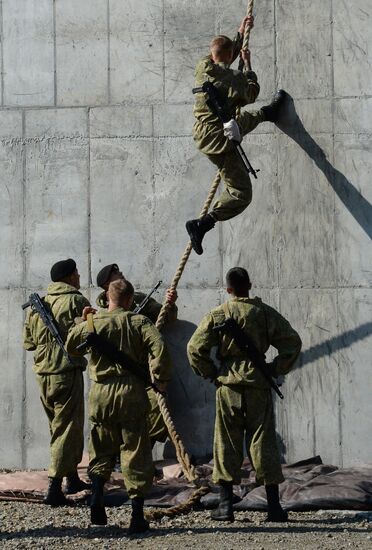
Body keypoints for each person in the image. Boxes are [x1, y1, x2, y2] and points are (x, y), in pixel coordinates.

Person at [187, 267, 302, 522]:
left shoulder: (219, 314)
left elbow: (195, 348)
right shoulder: (263, 313)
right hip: (258, 383)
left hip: (228, 384)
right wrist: (274, 368)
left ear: (228, 289)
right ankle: (273, 506)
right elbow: (292, 342)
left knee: (226, 442)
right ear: (250, 284)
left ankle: (226, 505)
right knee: (263, 441)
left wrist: (211, 373)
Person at [66, 279, 173, 533]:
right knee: (134, 449)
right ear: (129, 300)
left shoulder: (93, 323)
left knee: (101, 448)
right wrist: (160, 378)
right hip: (131, 392)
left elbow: (71, 346)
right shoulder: (139, 322)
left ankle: (96, 498)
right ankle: (137, 514)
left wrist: (83, 321)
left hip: (101, 393)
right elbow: (160, 349)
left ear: (107, 297)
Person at [186, 15, 286, 255]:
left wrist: (240, 34)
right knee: (241, 193)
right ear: (231, 56)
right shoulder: (235, 80)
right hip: (219, 140)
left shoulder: (202, 66)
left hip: (202, 133)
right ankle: (204, 223)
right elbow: (251, 93)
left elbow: (223, 58)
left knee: (242, 121)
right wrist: (248, 66)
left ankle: (267, 114)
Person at [23, 259, 91, 505]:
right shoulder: (76, 301)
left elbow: (29, 343)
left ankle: (71, 478)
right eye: (77, 273)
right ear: (71, 278)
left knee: (58, 427)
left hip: (43, 374)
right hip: (66, 371)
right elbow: (89, 336)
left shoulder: (37, 306)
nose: (80, 276)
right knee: (68, 428)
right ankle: (54, 487)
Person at [95, 263, 177, 448]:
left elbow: (168, 318)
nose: (121, 273)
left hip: (142, 370)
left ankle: (142, 449)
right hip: (113, 373)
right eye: (116, 273)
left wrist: (170, 304)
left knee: (157, 407)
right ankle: (118, 455)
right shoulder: (99, 312)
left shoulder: (139, 299)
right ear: (107, 284)